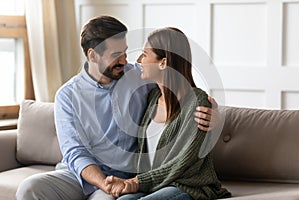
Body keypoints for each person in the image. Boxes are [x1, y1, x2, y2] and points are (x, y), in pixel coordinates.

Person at [16, 16, 217, 200]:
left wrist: (214, 111)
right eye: (116, 55)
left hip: (122, 177)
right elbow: (75, 152)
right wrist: (103, 182)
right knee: (29, 188)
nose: (125, 60)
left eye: (125, 51)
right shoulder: (68, 95)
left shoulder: (139, 76)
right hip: (79, 175)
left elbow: (177, 80)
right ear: (93, 56)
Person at [105, 27, 231, 200]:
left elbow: (183, 162)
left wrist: (135, 183)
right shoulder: (152, 98)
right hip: (154, 186)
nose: (139, 60)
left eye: (145, 54)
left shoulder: (197, 102)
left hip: (187, 186)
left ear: (163, 62)